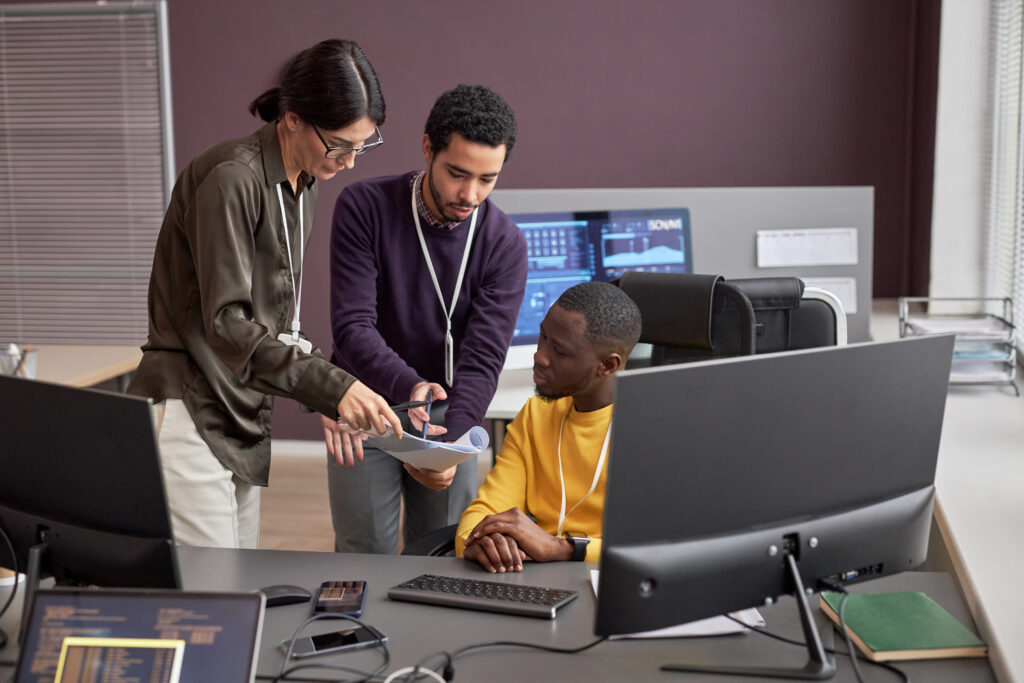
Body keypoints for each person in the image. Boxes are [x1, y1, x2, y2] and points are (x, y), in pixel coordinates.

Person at [128, 39, 404, 549]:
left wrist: (327, 393)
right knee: (213, 602)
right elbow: (228, 324)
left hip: (241, 406)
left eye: (363, 146)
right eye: (340, 144)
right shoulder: (233, 178)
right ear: (293, 118)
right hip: (192, 406)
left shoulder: (302, 181)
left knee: (240, 588)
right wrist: (330, 386)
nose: (349, 162)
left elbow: (274, 321)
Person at [323, 84, 528, 554]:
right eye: (458, 173)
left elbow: (482, 360)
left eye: (487, 179)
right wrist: (411, 386)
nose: (470, 194)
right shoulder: (364, 207)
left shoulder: (505, 244)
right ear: (427, 149)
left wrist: (452, 445)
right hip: (366, 403)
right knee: (363, 552)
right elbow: (353, 327)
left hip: (449, 412)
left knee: (443, 553)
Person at [456, 282, 642, 572]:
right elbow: (483, 511)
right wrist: (481, 542)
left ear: (607, 365)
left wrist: (562, 549)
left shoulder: (651, 429)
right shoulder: (536, 414)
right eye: (543, 337)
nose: (540, 356)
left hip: (613, 585)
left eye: (560, 351)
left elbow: (658, 546)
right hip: (531, 577)